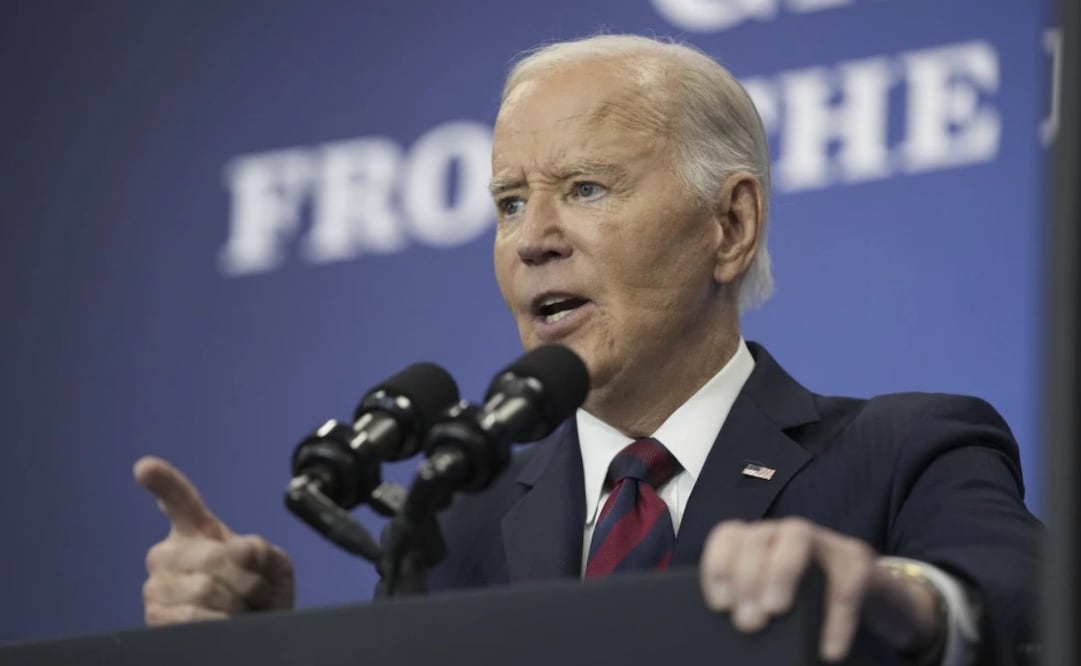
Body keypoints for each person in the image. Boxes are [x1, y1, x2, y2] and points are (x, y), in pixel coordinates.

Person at [134, 34, 1041, 665]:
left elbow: (1026, 615)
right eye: (508, 203)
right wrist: (259, 651)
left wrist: (904, 604)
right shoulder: (456, 527)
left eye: (585, 187)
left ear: (728, 225)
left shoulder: (905, 452)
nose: (533, 239)